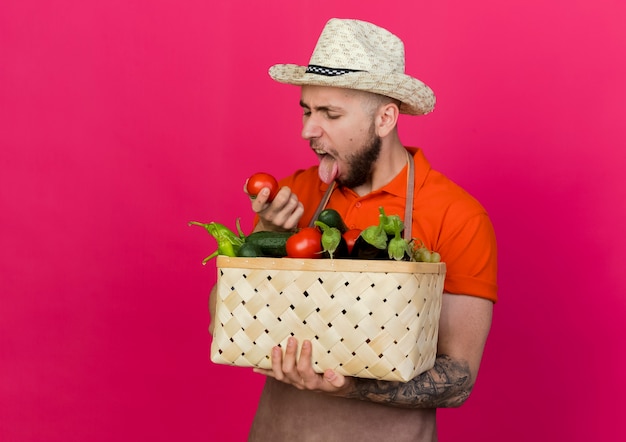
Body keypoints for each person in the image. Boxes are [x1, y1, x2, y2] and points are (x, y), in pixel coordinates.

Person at [209, 18, 498, 442]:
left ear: (384, 119)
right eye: (308, 110)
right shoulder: (296, 192)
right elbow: (222, 321)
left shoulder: (458, 216)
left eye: (330, 113)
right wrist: (262, 237)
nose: (308, 130)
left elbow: (458, 378)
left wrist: (350, 385)